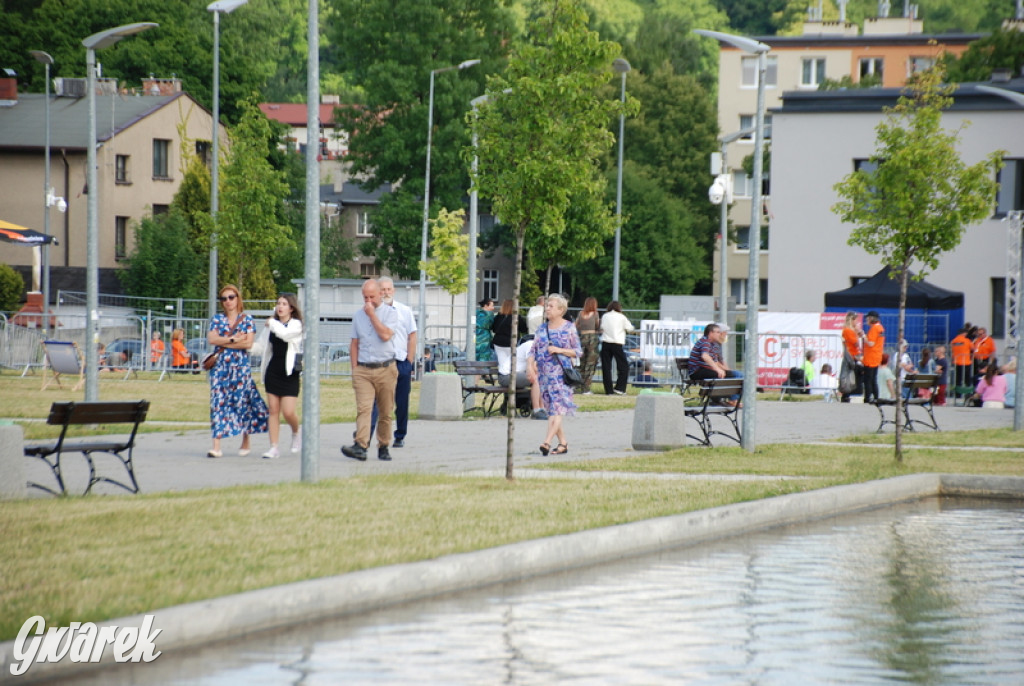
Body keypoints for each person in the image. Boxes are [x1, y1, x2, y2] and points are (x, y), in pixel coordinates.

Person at [206, 284, 269, 458]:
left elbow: (248, 343)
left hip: (240, 367)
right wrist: (233, 339)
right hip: (220, 367)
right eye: (224, 298)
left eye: (231, 297)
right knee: (218, 403)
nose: (228, 301)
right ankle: (216, 446)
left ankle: (245, 440)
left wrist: (223, 340)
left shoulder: (247, 319)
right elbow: (212, 339)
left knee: (241, 402)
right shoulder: (217, 319)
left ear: (237, 298)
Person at [342, 279, 398, 462]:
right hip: (364, 369)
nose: (368, 301)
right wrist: (354, 369)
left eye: (372, 297)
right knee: (364, 409)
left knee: (385, 411)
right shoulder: (358, 315)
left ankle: (383, 445)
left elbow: (384, 335)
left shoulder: (390, 313)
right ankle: (360, 446)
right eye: (365, 297)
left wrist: (372, 315)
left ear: (381, 294)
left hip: (385, 368)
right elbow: (354, 342)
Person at [528, 293, 582, 456]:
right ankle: (563, 443)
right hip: (544, 375)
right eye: (547, 306)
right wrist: (530, 366)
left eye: (551, 306)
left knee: (557, 410)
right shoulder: (542, 328)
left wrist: (560, 350)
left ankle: (546, 442)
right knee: (552, 410)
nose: (547, 309)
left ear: (561, 310)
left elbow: (578, 351)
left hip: (560, 375)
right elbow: (533, 349)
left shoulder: (569, 328)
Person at [370, 277, 417, 448]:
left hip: (400, 361)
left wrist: (409, 360)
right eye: (382, 290)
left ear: (394, 291)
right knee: (376, 402)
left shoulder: (404, 311)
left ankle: (400, 435)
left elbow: (412, 335)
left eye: (389, 289)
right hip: (380, 362)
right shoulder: (372, 311)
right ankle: (367, 435)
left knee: (402, 401)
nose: (386, 293)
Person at [256, 293, 303, 460]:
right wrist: (241, 344)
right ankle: (274, 447)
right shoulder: (272, 326)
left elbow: (285, 334)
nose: (280, 306)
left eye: (284, 304)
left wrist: (272, 322)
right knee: (273, 410)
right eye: (278, 303)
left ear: (291, 308)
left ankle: (296, 432)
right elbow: (261, 346)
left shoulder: (296, 325)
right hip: (273, 372)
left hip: (290, 373)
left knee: (288, 412)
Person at [687, 322, 743, 404]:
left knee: (734, 374)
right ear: (710, 333)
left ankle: (723, 399)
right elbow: (705, 356)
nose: (719, 334)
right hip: (697, 371)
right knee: (730, 375)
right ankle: (725, 399)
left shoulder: (712, 344)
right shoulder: (705, 341)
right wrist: (718, 370)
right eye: (717, 332)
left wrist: (723, 369)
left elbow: (715, 361)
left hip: (704, 370)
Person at [599, 300, 633, 395]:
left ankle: (608, 390)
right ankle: (620, 387)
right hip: (617, 343)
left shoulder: (605, 316)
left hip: (606, 342)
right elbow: (630, 328)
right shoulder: (622, 317)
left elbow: (602, 327)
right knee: (623, 367)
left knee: (606, 368)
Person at [490, 299, 527, 383]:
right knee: (512, 364)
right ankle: (511, 384)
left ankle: (503, 383)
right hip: (511, 343)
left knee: (502, 364)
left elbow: (494, 329)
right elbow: (524, 329)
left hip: (498, 343)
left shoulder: (498, 316)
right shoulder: (516, 317)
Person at [574, 297, 601, 394]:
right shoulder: (595, 314)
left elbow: (575, 325)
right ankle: (586, 388)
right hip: (592, 339)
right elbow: (597, 325)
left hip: (582, 338)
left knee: (581, 363)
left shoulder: (580, 313)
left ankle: (577, 386)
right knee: (590, 364)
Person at [839, 311, 864, 402]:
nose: (857, 322)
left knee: (851, 374)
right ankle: (847, 393)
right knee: (848, 375)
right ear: (851, 320)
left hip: (853, 355)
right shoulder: (848, 331)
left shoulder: (848, 330)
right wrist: (857, 332)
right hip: (851, 355)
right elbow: (856, 343)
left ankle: (848, 393)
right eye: (855, 320)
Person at [861, 311, 885, 403]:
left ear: (872, 318)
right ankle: (876, 397)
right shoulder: (880, 328)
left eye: (868, 318)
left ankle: (867, 397)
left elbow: (871, 343)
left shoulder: (874, 329)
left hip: (871, 357)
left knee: (868, 379)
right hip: (876, 356)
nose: (866, 320)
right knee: (873, 379)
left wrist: (864, 336)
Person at [950, 326, 973, 398]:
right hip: (966, 362)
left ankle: (958, 395)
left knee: (958, 379)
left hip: (956, 362)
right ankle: (968, 394)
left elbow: (951, 350)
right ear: (964, 333)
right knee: (967, 380)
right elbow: (973, 348)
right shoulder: (967, 340)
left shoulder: (953, 341)